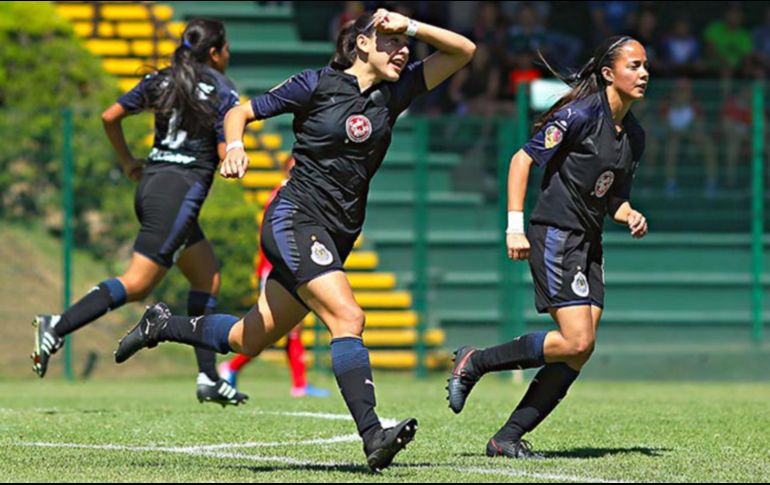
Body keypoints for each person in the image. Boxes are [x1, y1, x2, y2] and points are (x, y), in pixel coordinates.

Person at [114, 8, 475, 471]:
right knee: (349, 316)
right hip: (294, 218)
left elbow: (464, 51)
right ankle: (373, 435)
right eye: (388, 41)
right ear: (362, 43)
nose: (402, 49)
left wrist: (409, 25)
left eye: (404, 43)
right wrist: (238, 145)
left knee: (247, 338)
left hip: (337, 232)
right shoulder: (316, 83)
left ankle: (162, 325)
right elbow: (240, 112)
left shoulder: (396, 92)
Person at [447, 36, 649, 459]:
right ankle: (476, 361)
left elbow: (613, 196)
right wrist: (513, 227)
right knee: (576, 341)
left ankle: (507, 438)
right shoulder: (578, 115)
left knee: (580, 349)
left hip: (589, 240)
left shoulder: (634, 135)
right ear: (609, 74)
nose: (643, 73)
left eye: (645, 66)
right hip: (556, 233)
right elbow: (521, 160)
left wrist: (628, 213)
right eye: (633, 65)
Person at [31, 19, 247, 407]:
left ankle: (208, 377)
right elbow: (222, 151)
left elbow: (109, 115)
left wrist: (129, 160)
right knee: (139, 283)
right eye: (227, 48)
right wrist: (233, 154)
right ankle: (57, 326)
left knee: (206, 275)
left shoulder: (164, 80)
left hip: (152, 184)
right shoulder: (222, 88)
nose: (228, 55)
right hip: (180, 192)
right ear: (215, 53)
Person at [218, 157, 330, 398]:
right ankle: (231, 367)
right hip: (275, 267)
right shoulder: (283, 194)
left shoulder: (293, 194)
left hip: (286, 266)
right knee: (275, 328)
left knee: (288, 328)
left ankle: (298, 383)